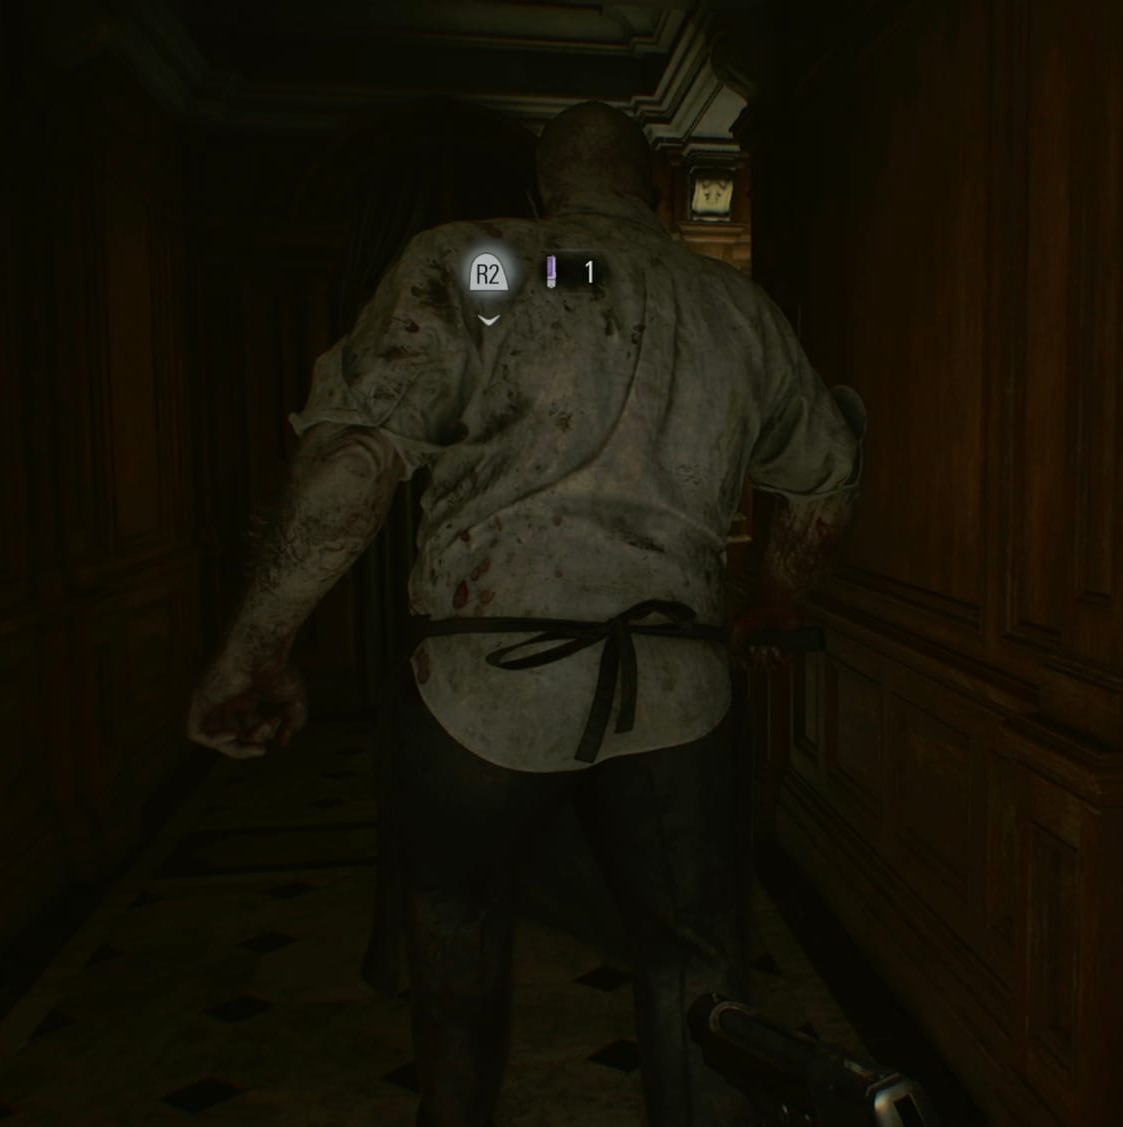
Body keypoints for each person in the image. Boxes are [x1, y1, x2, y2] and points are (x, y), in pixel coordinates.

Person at [184, 100, 865, 1127]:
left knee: (458, 948)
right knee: (694, 967)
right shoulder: (734, 305)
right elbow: (827, 479)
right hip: (676, 688)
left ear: (543, 186)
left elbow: (355, 463)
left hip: (480, 690)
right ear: (653, 185)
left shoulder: (492, 269)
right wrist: (774, 595)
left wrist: (255, 645)